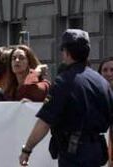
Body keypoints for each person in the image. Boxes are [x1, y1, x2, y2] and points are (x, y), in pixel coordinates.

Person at [19, 29, 113, 167]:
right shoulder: (102, 82)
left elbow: (45, 122)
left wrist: (27, 149)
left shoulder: (64, 82)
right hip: (97, 152)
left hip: (73, 154)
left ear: (67, 52)